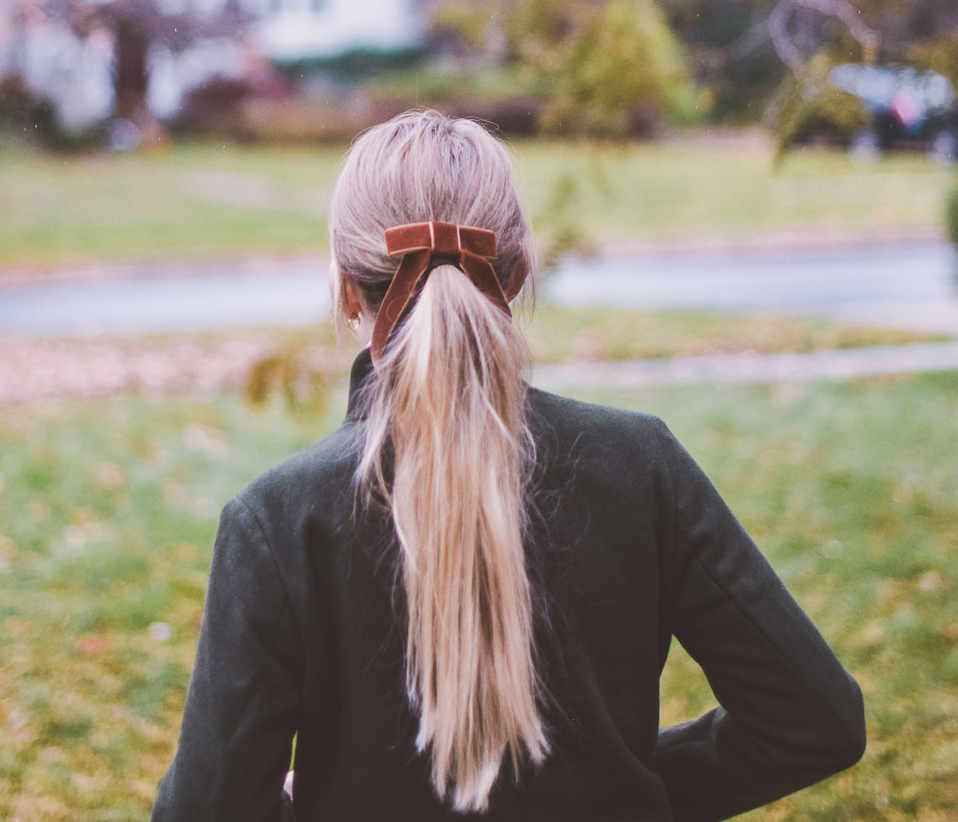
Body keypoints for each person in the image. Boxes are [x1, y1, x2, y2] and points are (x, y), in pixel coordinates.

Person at [152, 111, 865, 821]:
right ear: (519, 276)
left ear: (344, 289)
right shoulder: (642, 469)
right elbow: (815, 719)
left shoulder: (279, 522)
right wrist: (627, 787)